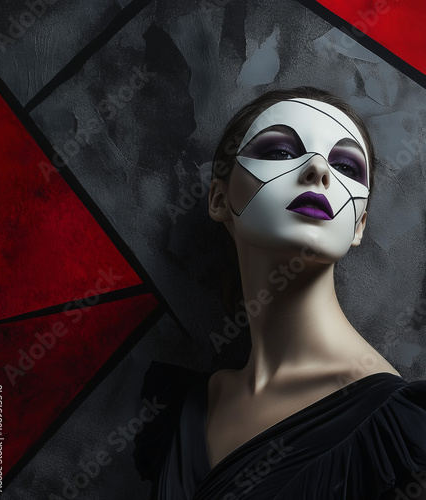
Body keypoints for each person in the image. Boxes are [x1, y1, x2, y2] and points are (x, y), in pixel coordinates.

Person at [133, 87, 426, 499]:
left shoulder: (395, 431)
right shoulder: (183, 409)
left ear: (359, 225)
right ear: (219, 198)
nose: (318, 170)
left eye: (346, 165)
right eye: (281, 152)